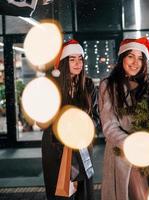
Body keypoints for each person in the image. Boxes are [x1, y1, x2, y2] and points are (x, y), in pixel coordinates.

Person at [99, 37, 149, 200]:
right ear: (122, 58)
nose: (135, 62)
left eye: (140, 58)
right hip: (124, 154)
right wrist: (134, 145)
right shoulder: (109, 85)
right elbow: (109, 126)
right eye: (130, 56)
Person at [42, 39, 99, 200]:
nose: (77, 63)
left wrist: (85, 127)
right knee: (59, 191)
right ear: (63, 62)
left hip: (82, 146)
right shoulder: (51, 86)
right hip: (55, 147)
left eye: (80, 59)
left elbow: (96, 118)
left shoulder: (88, 85)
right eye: (72, 59)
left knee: (83, 191)